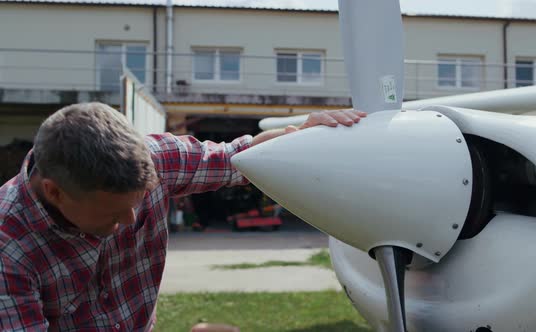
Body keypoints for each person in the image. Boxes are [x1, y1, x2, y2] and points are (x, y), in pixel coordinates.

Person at [0, 102, 366, 331]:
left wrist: (302, 138)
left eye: (139, 201)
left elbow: (235, 158)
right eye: (113, 212)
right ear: (54, 192)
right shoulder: (7, 249)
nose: (131, 219)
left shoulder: (156, 158)